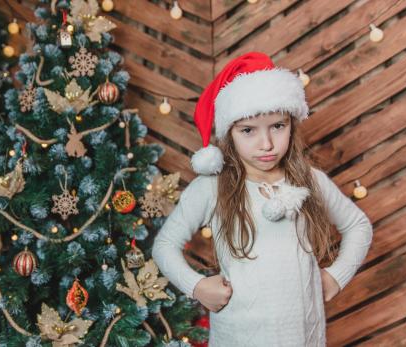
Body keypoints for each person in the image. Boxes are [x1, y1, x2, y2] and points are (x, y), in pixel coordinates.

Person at [151, 52, 373, 346]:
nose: (266, 144)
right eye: (248, 131)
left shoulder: (310, 181)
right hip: (239, 337)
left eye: (278, 126)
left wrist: (335, 277)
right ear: (229, 132)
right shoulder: (212, 188)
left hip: (303, 336)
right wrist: (198, 286)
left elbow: (358, 225)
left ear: (291, 124)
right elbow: (165, 245)